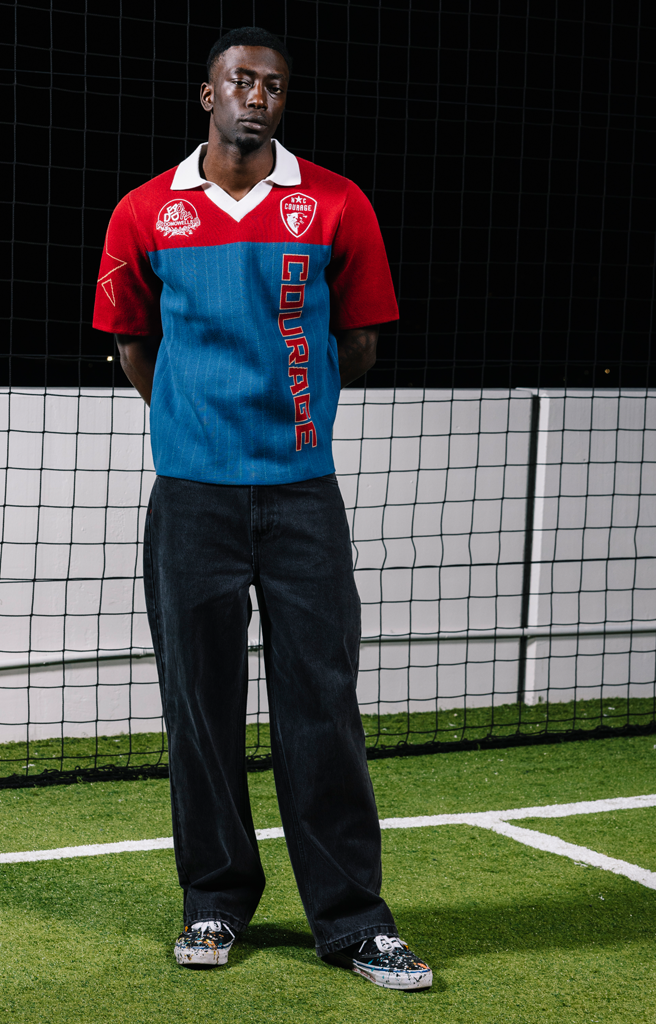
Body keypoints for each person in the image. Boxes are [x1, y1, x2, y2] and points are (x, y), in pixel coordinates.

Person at [92, 26, 431, 992]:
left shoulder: (334, 202)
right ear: (208, 95)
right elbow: (134, 348)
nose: (258, 96)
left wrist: (288, 417)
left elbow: (358, 342)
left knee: (320, 706)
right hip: (191, 497)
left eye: (274, 86)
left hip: (301, 496)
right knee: (199, 708)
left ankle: (354, 922)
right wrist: (197, 426)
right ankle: (214, 904)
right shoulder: (146, 211)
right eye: (241, 81)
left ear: (284, 102)